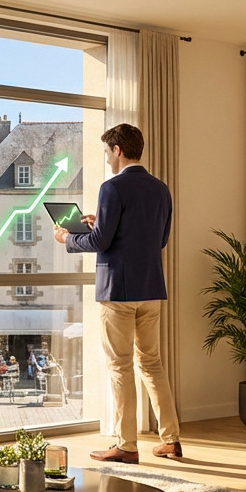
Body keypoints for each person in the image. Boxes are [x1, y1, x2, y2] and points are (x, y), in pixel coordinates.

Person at [55, 123, 182, 461]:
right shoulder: (161, 189)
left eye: (107, 152)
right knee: (152, 364)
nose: (107, 159)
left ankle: (126, 445)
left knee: (120, 367)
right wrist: (102, 223)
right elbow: (159, 239)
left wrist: (67, 238)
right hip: (151, 289)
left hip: (118, 292)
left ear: (118, 150)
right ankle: (171, 439)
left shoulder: (112, 187)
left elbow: (100, 242)